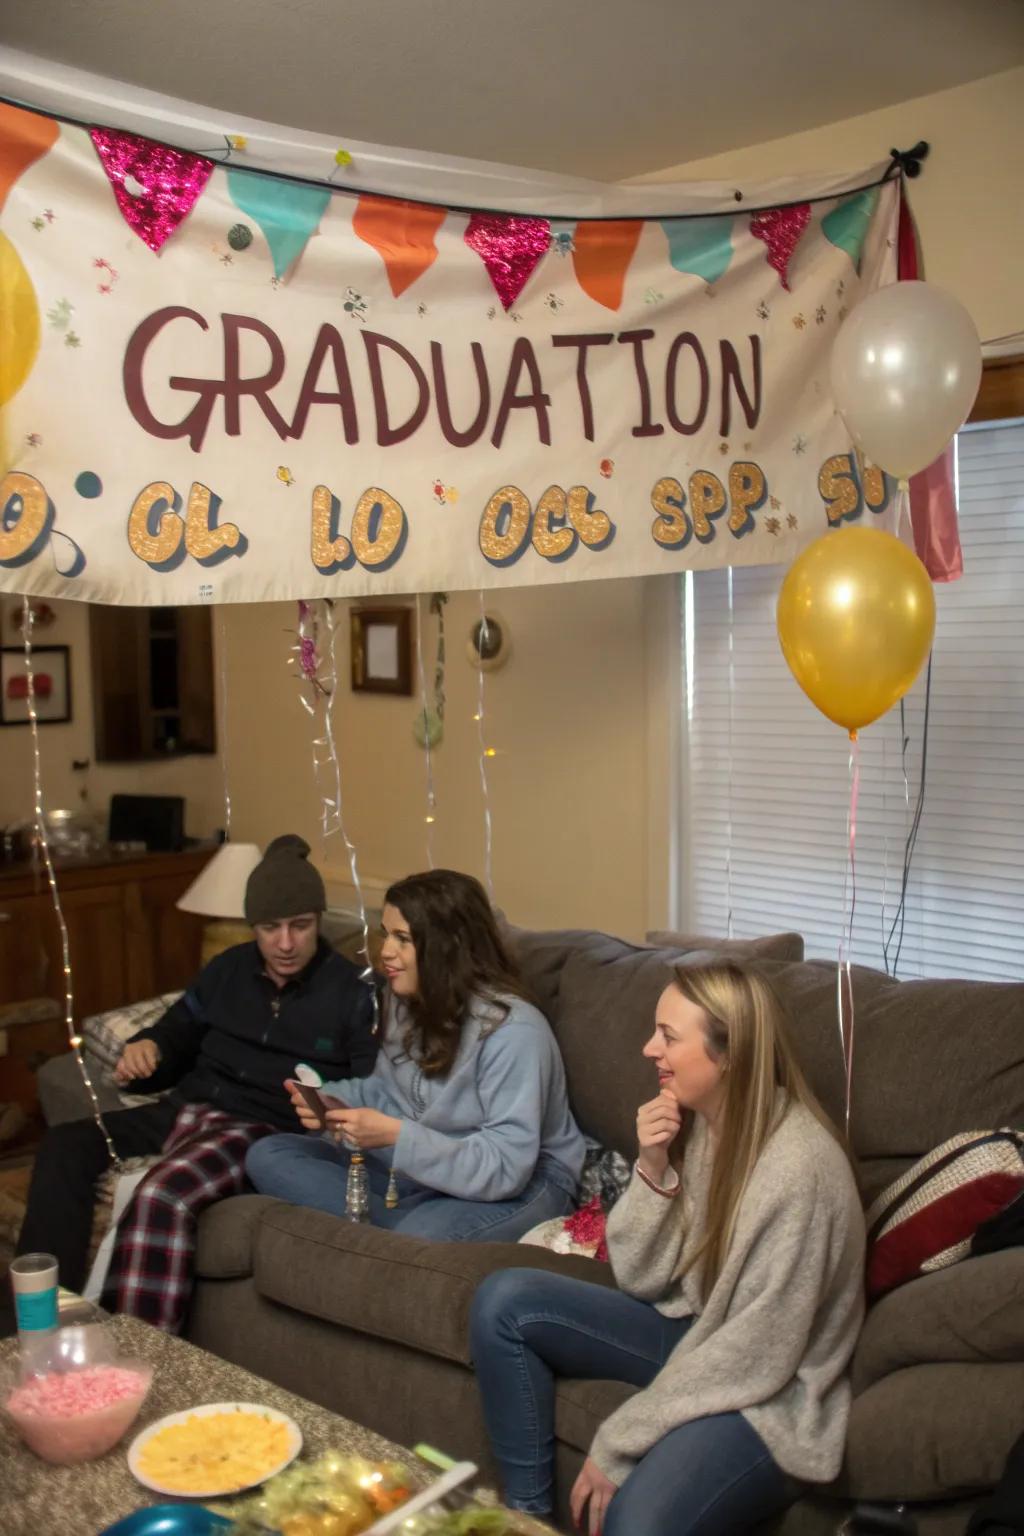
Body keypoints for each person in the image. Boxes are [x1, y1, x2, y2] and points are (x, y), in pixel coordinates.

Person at [469, 961, 866, 1536]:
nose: (648, 1048)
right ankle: (526, 1523)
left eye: (669, 1037)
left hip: (772, 1391)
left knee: (636, 1522)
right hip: (700, 1333)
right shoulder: (708, 1120)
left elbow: (759, 1353)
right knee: (503, 1300)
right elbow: (641, 1276)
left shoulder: (800, 1172)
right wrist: (653, 1168)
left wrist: (622, 1436)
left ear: (730, 1054)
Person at [16, 834, 377, 1332]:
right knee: (65, 1144)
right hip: (187, 1107)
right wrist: (150, 1048)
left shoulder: (353, 993)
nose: (286, 943)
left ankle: (137, 1348)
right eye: (270, 928)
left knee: (164, 1191)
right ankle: (37, 1321)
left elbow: (370, 1086)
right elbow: (176, 1031)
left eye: (300, 926)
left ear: (319, 921)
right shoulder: (227, 969)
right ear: (254, 927)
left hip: (263, 1126)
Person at [246, 869, 584, 1242]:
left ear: (447, 946)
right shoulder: (402, 999)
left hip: (524, 1179)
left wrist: (396, 1136)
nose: (386, 952)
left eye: (402, 939)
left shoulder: (514, 1031)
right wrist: (333, 1102)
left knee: (416, 1234)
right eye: (386, 934)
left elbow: (505, 1168)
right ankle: (397, 1230)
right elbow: (385, 1092)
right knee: (270, 1154)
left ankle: (396, 1230)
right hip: (425, 1167)